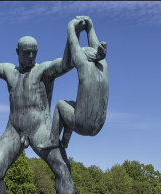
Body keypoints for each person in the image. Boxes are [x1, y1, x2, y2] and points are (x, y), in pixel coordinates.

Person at [0, 14, 93, 194]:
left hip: (41, 128)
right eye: (25, 52)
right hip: (14, 129)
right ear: (17, 52)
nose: (29, 56)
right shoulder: (9, 71)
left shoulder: (43, 70)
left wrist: (72, 34)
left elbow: (66, 63)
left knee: (63, 170)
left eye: (33, 52)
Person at [38, 16, 109, 149]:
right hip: (98, 126)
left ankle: (53, 140)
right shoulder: (103, 65)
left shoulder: (83, 64)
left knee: (60, 105)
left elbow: (73, 44)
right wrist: (90, 27)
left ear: (86, 57)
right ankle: (65, 142)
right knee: (71, 105)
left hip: (83, 124)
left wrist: (72, 26)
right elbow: (95, 46)